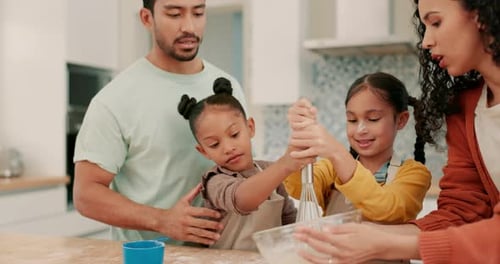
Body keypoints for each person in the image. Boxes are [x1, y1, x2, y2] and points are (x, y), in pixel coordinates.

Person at [294, 0, 500, 263]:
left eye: (436, 22)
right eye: (424, 26)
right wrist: (370, 235)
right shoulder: (465, 108)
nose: (425, 41)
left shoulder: (411, 172)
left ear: (482, 14)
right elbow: (461, 213)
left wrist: (388, 244)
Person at [72, 0, 247, 245]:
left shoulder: (229, 86)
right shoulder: (114, 100)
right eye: (174, 14)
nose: (189, 26)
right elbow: (86, 194)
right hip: (151, 257)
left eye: (198, 13)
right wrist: (162, 220)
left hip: (226, 256)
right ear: (147, 18)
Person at [177, 77, 314, 251]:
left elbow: (289, 223)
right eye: (214, 144)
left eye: (234, 134)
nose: (228, 148)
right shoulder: (214, 182)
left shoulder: (270, 172)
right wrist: (284, 164)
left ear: (250, 127)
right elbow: (242, 200)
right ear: (204, 151)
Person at [285, 72, 431, 224]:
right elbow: (298, 188)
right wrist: (297, 144)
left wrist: (337, 152)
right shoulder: (331, 169)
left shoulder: (415, 174)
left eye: (373, 119)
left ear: (401, 120)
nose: (360, 129)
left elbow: (387, 208)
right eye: (352, 120)